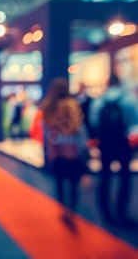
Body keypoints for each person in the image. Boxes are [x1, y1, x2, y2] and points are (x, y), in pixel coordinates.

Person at [89, 74, 138, 227]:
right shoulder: (128, 99)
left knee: (105, 177)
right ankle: (121, 213)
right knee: (124, 177)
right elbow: (134, 122)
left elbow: (94, 121)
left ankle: (105, 214)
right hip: (122, 143)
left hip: (106, 143)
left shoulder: (99, 100)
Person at [39, 78, 87, 228]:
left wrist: (49, 150)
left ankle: (63, 208)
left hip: (56, 150)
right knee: (73, 183)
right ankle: (71, 209)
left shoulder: (48, 107)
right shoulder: (72, 105)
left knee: (59, 182)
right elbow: (79, 130)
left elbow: (46, 132)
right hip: (72, 149)